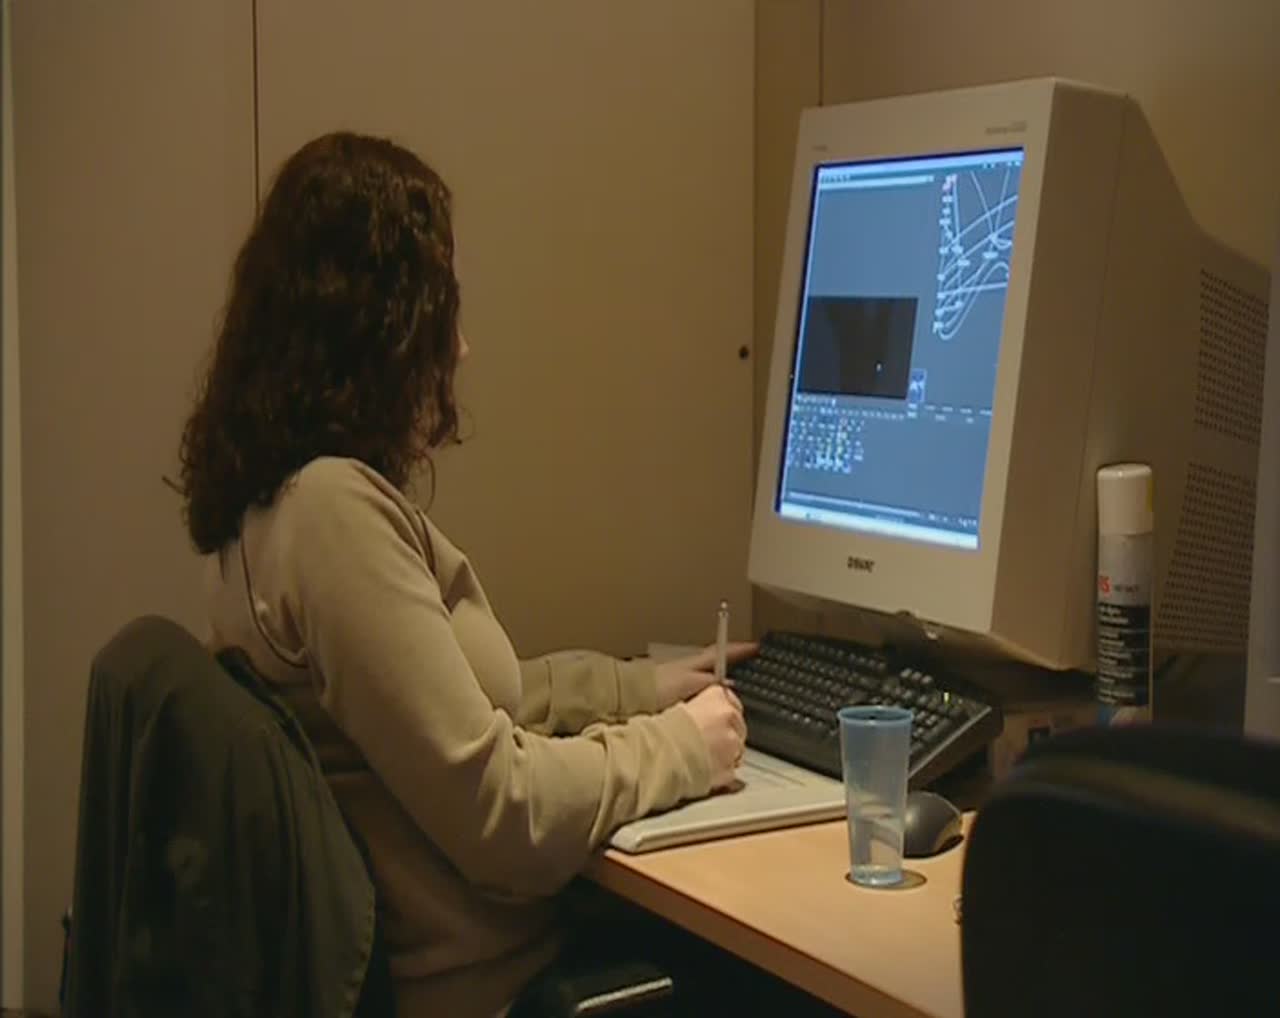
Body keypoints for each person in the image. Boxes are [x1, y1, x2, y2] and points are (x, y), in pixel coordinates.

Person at [178, 131, 751, 1017]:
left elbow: (451, 701)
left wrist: (636, 688)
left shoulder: (270, 508)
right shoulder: (331, 518)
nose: (463, 348)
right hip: (493, 990)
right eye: (442, 311)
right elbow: (501, 813)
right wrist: (682, 748)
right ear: (381, 329)